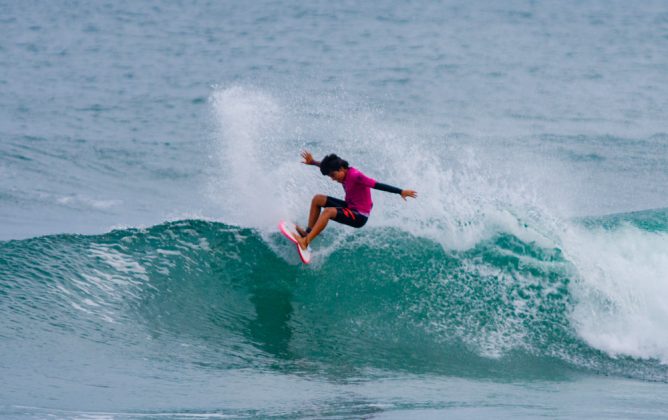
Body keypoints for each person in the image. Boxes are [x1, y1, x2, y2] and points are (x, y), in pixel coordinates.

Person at [294, 150, 417, 250]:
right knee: (318, 199)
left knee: (328, 212)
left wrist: (400, 191)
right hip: (350, 207)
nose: (333, 179)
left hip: (359, 216)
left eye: (333, 176)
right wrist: (313, 162)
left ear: (341, 169)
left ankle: (306, 241)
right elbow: (326, 166)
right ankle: (308, 232)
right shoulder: (339, 170)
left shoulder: (356, 176)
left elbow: (377, 185)